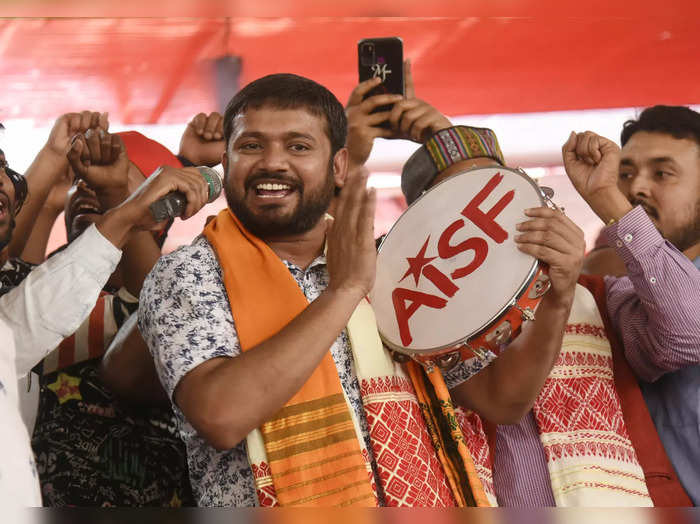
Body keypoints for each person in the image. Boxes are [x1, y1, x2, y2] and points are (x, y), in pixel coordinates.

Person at [138, 71, 586, 508]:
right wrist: (346, 290)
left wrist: (559, 296)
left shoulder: (391, 265)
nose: (273, 162)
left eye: (298, 146)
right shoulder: (188, 273)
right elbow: (221, 415)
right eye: (251, 146)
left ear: (338, 166)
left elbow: (499, 400)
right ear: (227, 164)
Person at [0, 133, 211, 507]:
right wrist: (51, 195)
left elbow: (160, 314)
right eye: (82, 180)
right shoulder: (27, 287)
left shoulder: (192, 289)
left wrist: (122, 203)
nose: (88, 189)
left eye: (115, 181)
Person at [562, 105, 700, 505]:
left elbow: (686, 327)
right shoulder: (620, 296)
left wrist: (610, 201)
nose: (637, 188)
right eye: (625, 174)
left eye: (662, 173)